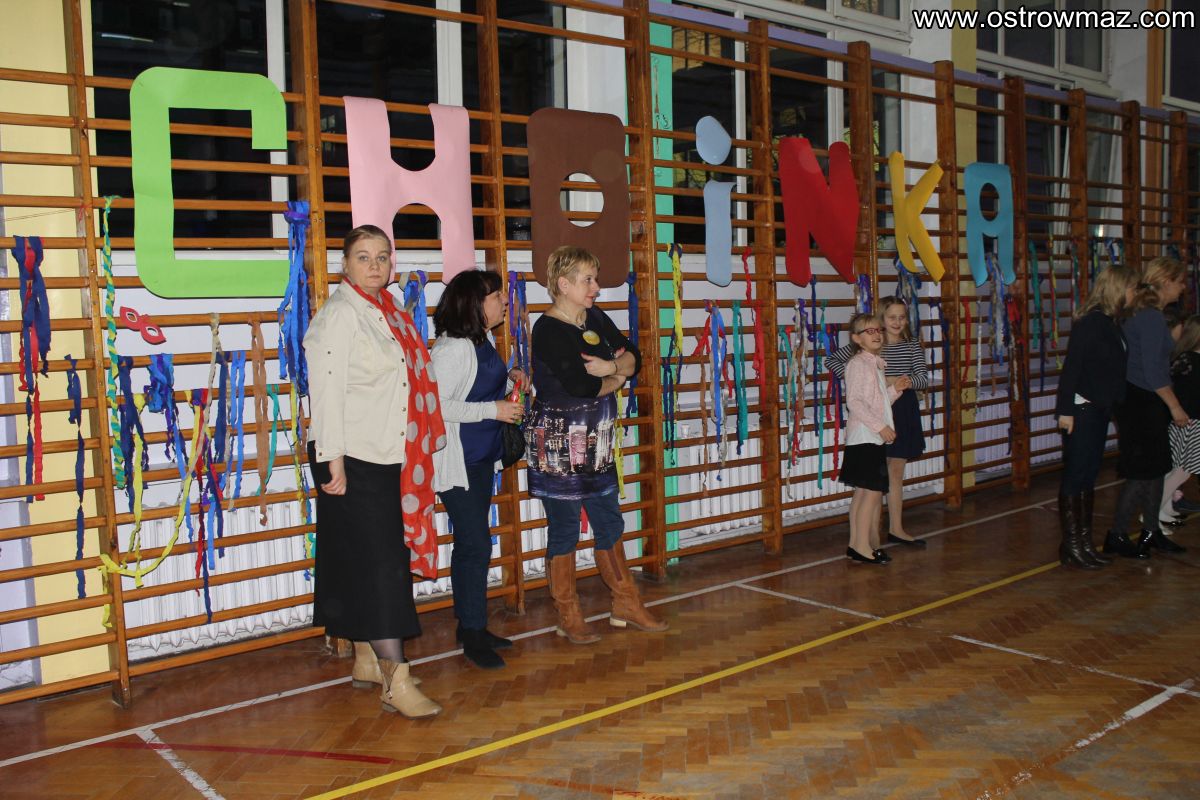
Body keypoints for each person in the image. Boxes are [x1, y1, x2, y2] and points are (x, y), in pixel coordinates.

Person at [304, 224, 444, 718]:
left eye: (382, 256)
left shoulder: (389, 310)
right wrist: (332, 460)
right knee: (383, 568)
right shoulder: (339, 316)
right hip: (351, 455)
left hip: (389, 453)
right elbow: (325, 391)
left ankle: (366, 659)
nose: (375, 265)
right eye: (363, 257)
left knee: (363, 561)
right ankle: (395, 680)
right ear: (345, 264)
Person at [526, 245, 667, 643]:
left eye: (595, 278)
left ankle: (625, 603)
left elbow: (634, 356)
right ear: (563, 284)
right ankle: (568, 614)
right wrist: (617, 377)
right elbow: (580, 386)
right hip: (558, 446)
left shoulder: (595, 317)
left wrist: (612, 368)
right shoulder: (548, 329)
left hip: (598, 442)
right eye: (588, 280)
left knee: (610, 521)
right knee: (565, 529)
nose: (596, 287)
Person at [431, 269, 527, 669]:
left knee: (473, 545)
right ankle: (471, 633)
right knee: (475, 545)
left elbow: (477, 388)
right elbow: (437, 405)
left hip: (481, 459)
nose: (504, 301)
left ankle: (471, 625)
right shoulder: (452, 349)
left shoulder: (481, 339)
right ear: (474, 303)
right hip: (460, 464)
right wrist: (494, 409)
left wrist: (509, 381)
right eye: (496, 296)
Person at [1105, 256, 1191, 558]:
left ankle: (1151, 530)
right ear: (1166, 282)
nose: (1183, 287)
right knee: (1142, 471)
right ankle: (1116, 535)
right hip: (1141, 401)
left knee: (1156, 468)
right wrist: (1176, 407)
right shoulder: (1150, 318)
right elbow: (1154, 372)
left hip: (1143, 398)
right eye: (1180, 281)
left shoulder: (1145, 314)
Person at [1054, 264, 1139, 568]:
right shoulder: (1090, 323)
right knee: (1076, 475)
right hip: (1082, 410)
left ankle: (1084, 542)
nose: (1135, 294)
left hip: (1099, 408)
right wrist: (1065, 411)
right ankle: (1072, 545)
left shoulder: (1111, 322)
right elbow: (1072, 369)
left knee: (1088, 475)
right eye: (1132, 288)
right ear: (1119, 289)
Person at [828, 297, 928, 547]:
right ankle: (870, 535)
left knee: (895, 472)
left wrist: (902, 382)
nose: (897, 322)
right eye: (892, 317)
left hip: (902, 406)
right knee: (873, 476)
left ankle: (896, 528)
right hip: (875, 411)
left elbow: (923, 378)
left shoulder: (911, 344)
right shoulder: (871, 343)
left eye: (902, 317)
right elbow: (833, 361)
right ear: (881, 319)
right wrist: (876, 384)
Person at [840, 312, 911, 565]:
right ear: (856, 338)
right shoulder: (858, 364)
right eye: (869, 331)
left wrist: (895, 390)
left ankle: (856, 544)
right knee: (870, 493)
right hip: (865, 436)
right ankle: (861, 545)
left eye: (878, 330)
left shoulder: (874, 363)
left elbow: (877, 403)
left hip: (870, 436)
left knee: (864, 492)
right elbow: (855, 402)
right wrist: (881, 427)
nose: (876, 334)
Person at [1158, 313, 1200, 540]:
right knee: (1182, 472)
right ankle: (1153, 513)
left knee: (1177, 470)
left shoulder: (1186, 359)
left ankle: (1164, 509)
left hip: (1187, 422)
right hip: (1191, 423)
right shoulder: (1190, 360)